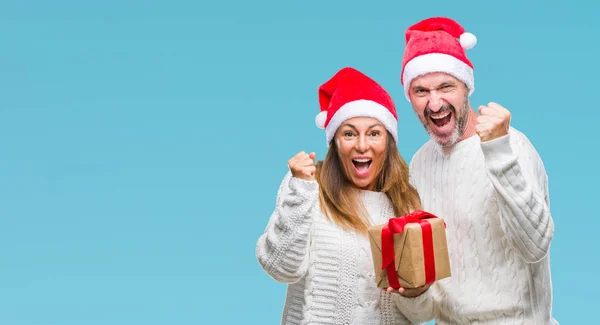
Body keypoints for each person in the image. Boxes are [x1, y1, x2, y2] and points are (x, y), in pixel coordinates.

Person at [389, 17, 558, 324]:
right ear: (409, 97)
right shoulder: (418, 165)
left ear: (466, 85)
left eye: (445, 87)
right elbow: (424, 310)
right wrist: (413, 292)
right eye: (421, 91)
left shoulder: (511, 146)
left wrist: (498, 152)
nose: (435, 102)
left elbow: (535, 247)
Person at [256, 67, 423, 325]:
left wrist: (417, 293)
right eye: (349, 133)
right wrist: (301, 190)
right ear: (334, 141)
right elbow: (280, 268)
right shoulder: (309, 185)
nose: (362, 145)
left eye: (374, 133)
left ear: (388, 141)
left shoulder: (408, 200)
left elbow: (420, 314)